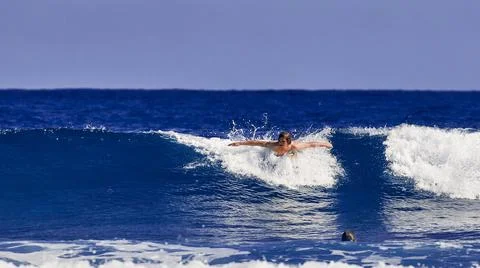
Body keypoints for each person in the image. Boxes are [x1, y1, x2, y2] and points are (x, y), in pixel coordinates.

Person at [228, 131, 332, 157]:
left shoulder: (293, 146)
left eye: (283, 141)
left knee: (292, 155)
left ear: (288, 141)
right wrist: (239, 143)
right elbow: (255, 142)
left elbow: (311, 144)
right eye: (280, 140)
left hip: (291, 152)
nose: (280, 143)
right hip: (278, 155)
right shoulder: (273, 145)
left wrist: (325, 144)